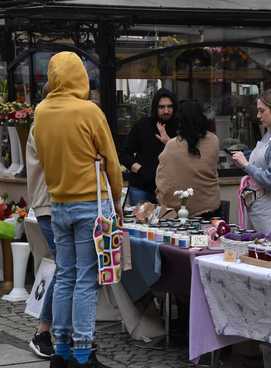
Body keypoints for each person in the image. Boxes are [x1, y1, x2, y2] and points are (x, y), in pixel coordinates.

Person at [34, 51, 122, 368]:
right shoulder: (89, 111)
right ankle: (83, 353)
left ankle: (61, 351)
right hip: (90, 205)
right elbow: (111, 162)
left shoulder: (41, 112)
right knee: (86, 280)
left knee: (66, 276)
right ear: (79, 76)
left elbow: (44, 160)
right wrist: (118, 202)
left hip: (59, 205)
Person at [231, 89, 271, 233]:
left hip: (268, 212)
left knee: (268, 252)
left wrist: (247, 165)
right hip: (255, 207)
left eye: (262, 110)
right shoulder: (268, 136)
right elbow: (259, 170)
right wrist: (243, 163)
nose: (258, 115)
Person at [26, 82, 54, 359]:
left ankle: (58, 331)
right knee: (67, 269)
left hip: (51, 204)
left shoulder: (42, 123)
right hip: (52, 205)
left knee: (67, 268)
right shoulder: (44, 125)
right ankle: (43, 330)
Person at [156, 101, 221, 218]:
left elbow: (163, 180)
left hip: (179, 214)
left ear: (180, 121)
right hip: (211, 211)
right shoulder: (214, 140)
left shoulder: (172, 145)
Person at [120, 88, 178, 206]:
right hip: (141, 188)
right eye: (161, 107)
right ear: (155, 108)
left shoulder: (180, 127)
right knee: (139, 223)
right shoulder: (143, 125)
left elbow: (185, 156)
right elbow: (124, 154)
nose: (166, 111)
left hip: (170, 190)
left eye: (169, 107)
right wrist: (140, 169)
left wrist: (169, 142)